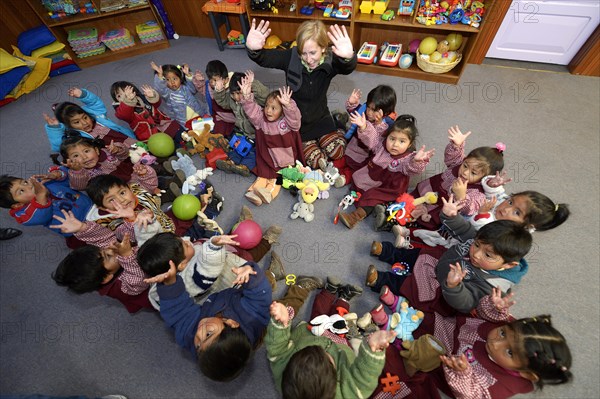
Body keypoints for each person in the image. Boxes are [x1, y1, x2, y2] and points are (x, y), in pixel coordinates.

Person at [369, 289, 573, 399]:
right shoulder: (515, 330)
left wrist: (463, 373)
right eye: (503, 332)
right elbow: (484, 316)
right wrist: (494, 309)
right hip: (452, 330)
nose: (496, 341)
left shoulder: (500, 385)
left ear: (527, 374)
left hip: (447, 362)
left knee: (416, 354)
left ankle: (391, 333)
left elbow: (472, 395)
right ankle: (402, 310)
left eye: (509, 352)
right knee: (428, 315)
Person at [246, 19, 357, 169]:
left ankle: (338, 123)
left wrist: (348, 57)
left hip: (321, 118)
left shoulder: (330, 60)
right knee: (317, 161)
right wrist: (254, 50)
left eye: (313, 52)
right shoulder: (291, 57)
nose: (308, 58)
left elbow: (346, 67)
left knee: (337, 152)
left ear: (323, 48)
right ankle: (327, 134)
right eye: (303, 53)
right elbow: (267, 58)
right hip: (297, 124)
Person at [143, 256, 271, 381]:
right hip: (247, 309)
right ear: (231, 323)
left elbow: (178, 313)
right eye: (209, 334)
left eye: (198, 345)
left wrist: (170, 284)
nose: (199, 334)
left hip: (222, 301)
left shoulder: (192, 336)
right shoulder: (252, 315)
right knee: (270, 299)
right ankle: (273, 277)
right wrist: (249, 274)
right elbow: (261, 296)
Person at [267, 297, 396, 398]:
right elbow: (363, 380)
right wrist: (373, 351)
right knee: (340, 323)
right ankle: (343, 302)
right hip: (340, 344)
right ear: (335, 381)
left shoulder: (284, 376)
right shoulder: (346, 393)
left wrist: (280, 322)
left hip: (309, 332)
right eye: (327, 356)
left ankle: (328, 294)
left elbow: (276, 348)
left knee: (318, 316)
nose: (321, 347)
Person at [399, 125, 505, 231]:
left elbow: (470, 210)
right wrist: (456, 145)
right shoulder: (458, 163)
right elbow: (452, 156)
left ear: (484, 177)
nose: (465, 172)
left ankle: (405, 228)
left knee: (422, 222)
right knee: (409, 200)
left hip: (439, 208)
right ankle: (397, 211)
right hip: (429, 190)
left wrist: (461, 196)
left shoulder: (478, 192)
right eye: (465, 165)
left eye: (473, 173)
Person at [338, 114, 434, 229]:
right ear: (387, 137)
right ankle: (376, 206)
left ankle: (354, 217)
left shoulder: (407, 159)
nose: (395, 144)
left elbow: (411, 169)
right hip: (375, 175)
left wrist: (416, 161)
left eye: (402, 141)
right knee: (358, 181)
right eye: (392, 139)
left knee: (372, 196)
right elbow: (372, 140)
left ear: (410, 144)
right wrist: (364, 127)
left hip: (390, 187)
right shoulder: (382, 146)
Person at [51, 211, 153, 313]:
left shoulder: (103, 257)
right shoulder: (121, 287)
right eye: (108, 256)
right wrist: (127, 255)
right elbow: (139, 277)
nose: (109, 249)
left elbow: (104, 238)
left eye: (102, 250)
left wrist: (82, 228)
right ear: (107, 277)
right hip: (152, 285)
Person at [239, 73, 304, 206]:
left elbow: (296, 120)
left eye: (273, 108)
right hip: (267, 157)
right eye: (267, 106)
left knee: (276, 179)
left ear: (282, 111)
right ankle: (254, 192)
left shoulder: (286, 123)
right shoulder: (261, 119)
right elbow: (252, 111)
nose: (268, 110)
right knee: (262, 176)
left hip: (283, 160)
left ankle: (269, 193)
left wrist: (289, 106)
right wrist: (247, 97)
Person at [0, 169, 93, 248]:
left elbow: (70, 180)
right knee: (88, 246)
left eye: (24, 182)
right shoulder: (25, 214)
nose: (28, 186)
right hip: (76, 230)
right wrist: (41, 197)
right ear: (18, 205)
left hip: (91, 206)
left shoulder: (43, 182)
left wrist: (58, 174)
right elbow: (41, 216)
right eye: (21, 191)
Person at [51, 131, 158, 194]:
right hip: (121, 193)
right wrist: (77, 171)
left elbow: (125, 155)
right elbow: (79, 186)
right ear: (69, 161)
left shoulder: (106, 152)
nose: (84, 157)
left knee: (148, 170)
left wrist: (118, 149)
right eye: (76, 156)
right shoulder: (81, 173)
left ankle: (160, 180)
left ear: (96, 150)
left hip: (134, 175)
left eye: (87, 151)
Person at [335, 85, 397, 187]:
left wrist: (375, 123)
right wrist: (351, 103)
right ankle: (331, 168)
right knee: (342, 160)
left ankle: (344, 178)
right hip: (352, 147)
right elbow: (354, 111)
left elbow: (375, 141)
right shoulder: (364, 111)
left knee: (356, 170)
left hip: (365, 155)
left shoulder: (386, 125)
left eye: (374, 110)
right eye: (368, 107)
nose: (369, 112)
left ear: (385, 113)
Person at [44, 87, 137, 152]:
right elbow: (59, 146)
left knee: (143, 150)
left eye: (85, 117)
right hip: (115, 157)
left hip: (129, 141)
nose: (84, 123)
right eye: (77, 122)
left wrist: (83, 95)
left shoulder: (96, 116)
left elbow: (95, 103)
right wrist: (55, 129)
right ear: (69, 126)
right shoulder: (75, 136)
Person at [110, 81, 185, 142]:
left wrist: (152, 96)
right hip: (148, 134)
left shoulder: (141, 98)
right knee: (163, 148)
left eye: (126, 92)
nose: (124, 96)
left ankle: (185, 142)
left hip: (162, 123)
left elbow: (156, 104)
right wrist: (128, 101)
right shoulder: (121, 110)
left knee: (179, 130)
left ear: (133, 91)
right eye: (119, 96)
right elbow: (123, 114)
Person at [150, 62, 208, 127]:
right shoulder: (167, 93)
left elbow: (193, 89)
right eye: (167, 80)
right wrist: (160, 76)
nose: (172, 82)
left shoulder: (185, 87)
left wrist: (188, 75)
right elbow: (160, 89)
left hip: (199, 113)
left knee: (208, 128)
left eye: (175, 79)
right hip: (184, 121)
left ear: (180, 78)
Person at [204, 60, 237, 137]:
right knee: (218, 136)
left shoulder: (232, 88)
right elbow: (200, 89)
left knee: (236, 136)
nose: (212, 83)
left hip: (233, 117)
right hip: (219, 117)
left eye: (215, 80)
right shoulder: (209, 86)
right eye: (210, 79)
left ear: (226, 80)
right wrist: (197, 80)